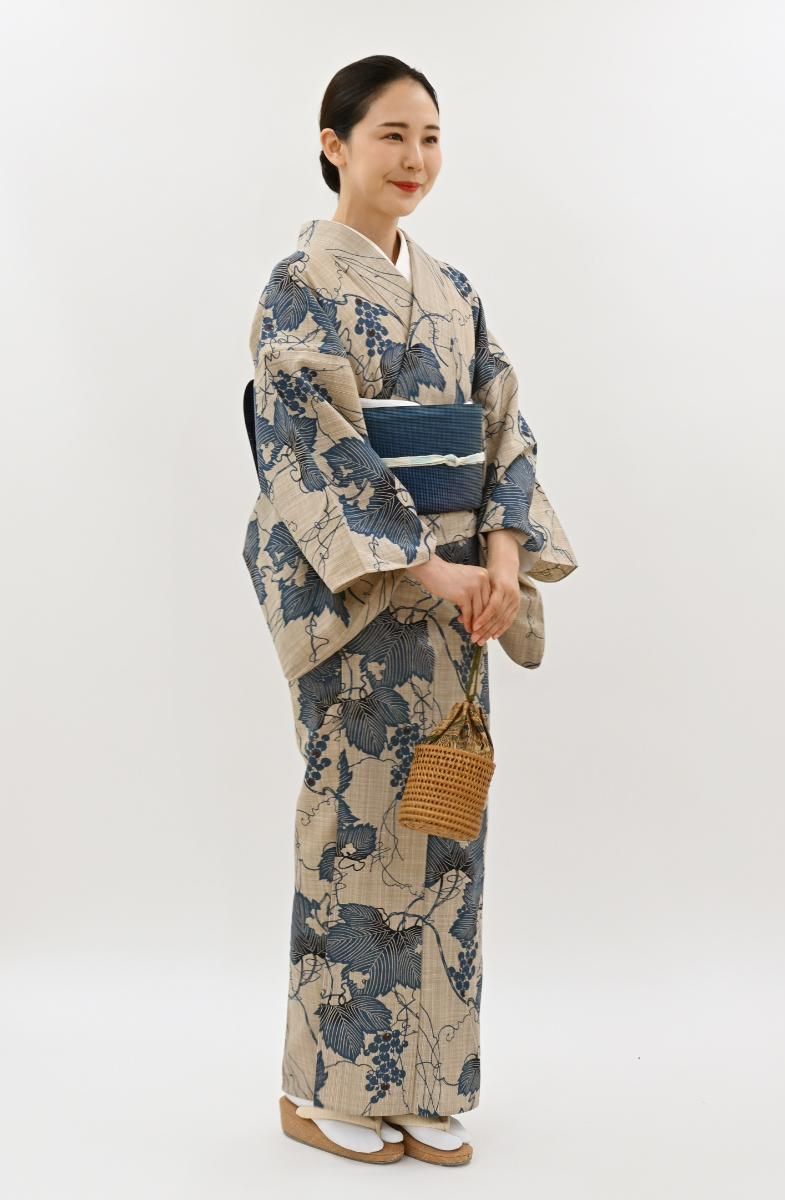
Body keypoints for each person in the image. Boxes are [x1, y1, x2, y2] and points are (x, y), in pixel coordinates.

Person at [242, 54, 578, 1166]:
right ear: (333, 144)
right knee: (355, 829)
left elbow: (505, 429)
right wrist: (428, 569)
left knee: (445, 827)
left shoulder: (455, 292)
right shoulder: (301, 285)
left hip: (460, 610)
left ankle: (423, 1076)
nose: (415, 159)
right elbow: (309, 448)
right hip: (366, 607)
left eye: (429, 137)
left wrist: (499, 556)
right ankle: (323, 1087)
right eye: (391, 135)